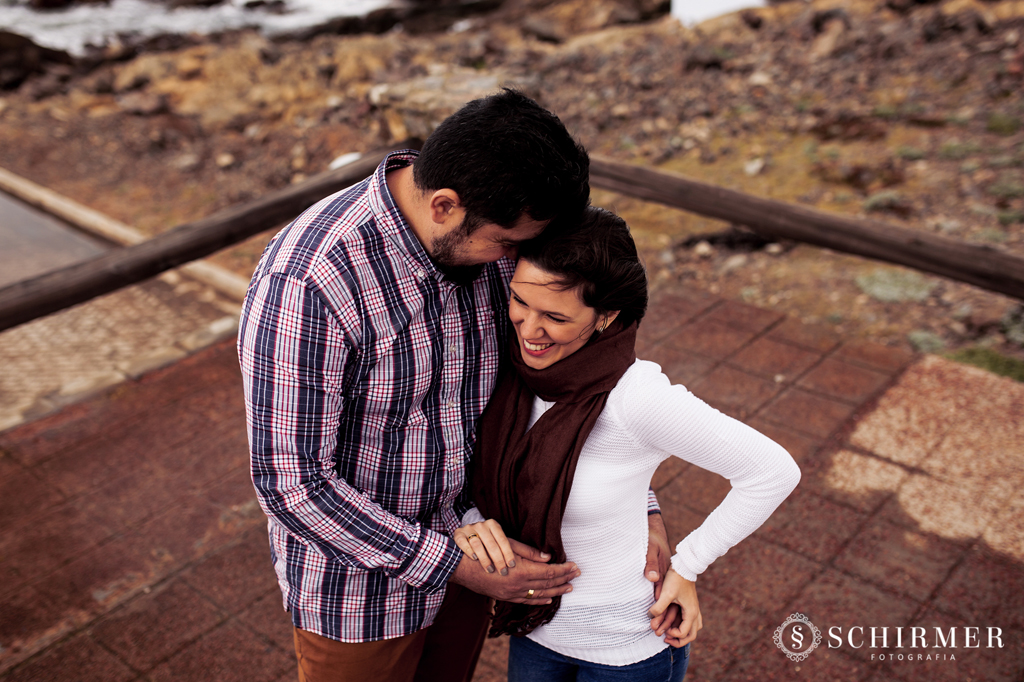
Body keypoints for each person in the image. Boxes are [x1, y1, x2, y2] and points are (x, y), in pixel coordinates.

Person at [237, 89, 674, 682]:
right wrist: (448, 563)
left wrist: (636, 503)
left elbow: (566, 381)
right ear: (444, 205)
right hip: (359, 597)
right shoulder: (309, 282)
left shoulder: (494, 234)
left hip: (480, 554)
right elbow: (291, 483)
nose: (515, 262)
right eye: (507, 244)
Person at [457, 206, 802, 681]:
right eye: (519, 302)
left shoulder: (636, 398)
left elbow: (773, 472)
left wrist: (688, 566)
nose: (528, 329)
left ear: (606, 317)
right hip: (534, 631)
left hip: (623, 648)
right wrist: (473, 521)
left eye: (555, 317)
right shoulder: (508, 369)